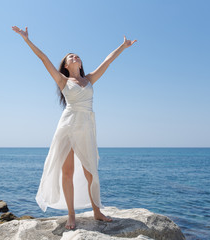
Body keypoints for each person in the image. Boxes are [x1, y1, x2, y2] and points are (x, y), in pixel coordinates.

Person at [12, 26, 136, 230]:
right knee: (67, 172)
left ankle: (97, 211)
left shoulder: (90, 79)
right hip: (68, 126)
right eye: (70, 56)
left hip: (86, 127)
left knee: (91, 172)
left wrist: (122, 46)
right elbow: (43, 58)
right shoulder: (63, 80)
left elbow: (108, 61)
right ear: (66, 65)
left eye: (76, 55)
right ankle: (71, 215)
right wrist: (27, 40)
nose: (74, 57)